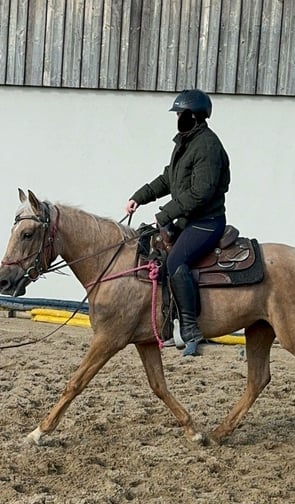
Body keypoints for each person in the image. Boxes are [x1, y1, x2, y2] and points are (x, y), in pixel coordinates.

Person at [125, 89, 230, 356]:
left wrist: (165, 214)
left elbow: (201, 192)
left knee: (175, 262)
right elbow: (168, 179)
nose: (178, 118)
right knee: (155, 252)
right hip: (187, 220)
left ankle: (192, 330)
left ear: (194, 116)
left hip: (206, 222)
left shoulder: (207, 146)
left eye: (181, 114)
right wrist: (139, 196)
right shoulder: (185, 143)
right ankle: (167, 325)